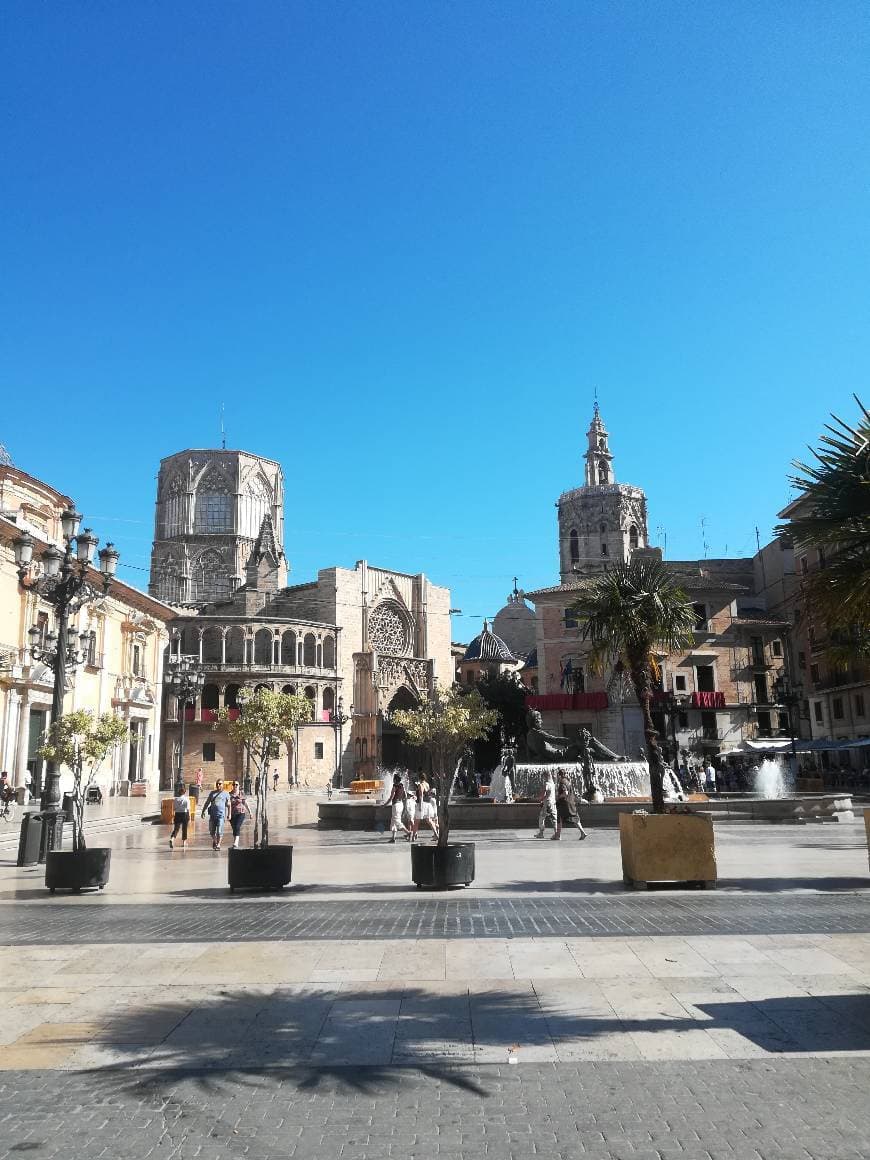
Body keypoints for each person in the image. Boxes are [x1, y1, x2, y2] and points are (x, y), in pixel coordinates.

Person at [201, 779, 231, 851]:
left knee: (219, 831)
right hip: (212, 815)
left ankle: (218, 844)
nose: (218, 785)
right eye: (217, 783)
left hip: (221, 815)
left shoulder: (226, 793)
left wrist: (229, 814)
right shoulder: (212, 793)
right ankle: (215, 841)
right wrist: (203, 811)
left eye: (220, 784)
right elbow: (207, 802)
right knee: (211, 831)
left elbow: (229, 805)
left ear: (223, 785)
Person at [385, 774, 409, 843]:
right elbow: (405, 796)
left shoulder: (394, 787)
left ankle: (408, 832)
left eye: (393, 779)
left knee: (397, 821)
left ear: (395, 780)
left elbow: (391, 797)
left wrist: (385, 804)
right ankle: (393, 838)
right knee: (393, 821)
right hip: (400, 804)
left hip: (396, 805)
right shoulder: (402, 786)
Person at [169, 783, 191, 850]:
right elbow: (188, 808)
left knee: (176, 829)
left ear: (179, 792)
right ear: (185, 792)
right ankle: (184, 842)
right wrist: (189, 817)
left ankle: (172, 839)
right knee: (184, 829)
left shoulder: (176, 799)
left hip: (177, 814)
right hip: (184, 814)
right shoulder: (187, 799)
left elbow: (174, 808)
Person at [536, 771, 557, 838]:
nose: (543, 778)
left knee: (542, 818)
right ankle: (557, 833)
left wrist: (540, 798)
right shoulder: (553, 783)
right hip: (553, 803)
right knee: (553, 818)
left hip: (547, 803)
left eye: (544, 776)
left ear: (546, 776)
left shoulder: (547, 784)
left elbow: (543, 793)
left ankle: (541, 833)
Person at [229, 781, 250, 849]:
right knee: (234, 828)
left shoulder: (242, 793)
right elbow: (227, 804)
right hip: (232, 813)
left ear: (239, 785)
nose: (235, 786)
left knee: (237, 826)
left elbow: (245, 803)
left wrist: (250, 812)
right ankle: (235, 841)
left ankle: (236, 842)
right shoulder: (229, 794)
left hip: (241, 813)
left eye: (236, 785)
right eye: (234, 784)